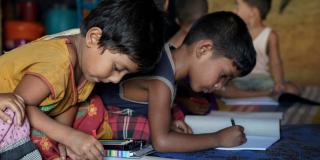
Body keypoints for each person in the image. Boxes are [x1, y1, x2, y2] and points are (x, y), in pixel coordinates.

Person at [0, 0, 164, 159]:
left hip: (29, 110)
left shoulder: (88, 68)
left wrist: (64, 137)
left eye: (124, 74)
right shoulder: (58, 62)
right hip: (9, 109)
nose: (116, 80)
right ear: (93, 37)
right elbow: (20, 107)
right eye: (117, 68)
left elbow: (68, 101)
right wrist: (68, 136)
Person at [97, 11, 256, 152]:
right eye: (223, 75)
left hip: (120, 110)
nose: (220, 85)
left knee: (176, 119)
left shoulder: (167, 54)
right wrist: (218, 139)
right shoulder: (161, 84)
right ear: (204, 49)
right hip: (98, 119)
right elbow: (162, 142)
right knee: (147, 132)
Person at [215, 0, 300, 99]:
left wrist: (279, 83)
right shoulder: (235, 32)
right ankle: (262, 94)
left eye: (238, 7)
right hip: (239, 79)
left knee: (292, 90)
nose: (234, 11)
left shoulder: (270, 35)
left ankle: (255, 94)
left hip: (262, 79)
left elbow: (276, 62)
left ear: (252, 12)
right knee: (218, 88)